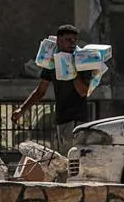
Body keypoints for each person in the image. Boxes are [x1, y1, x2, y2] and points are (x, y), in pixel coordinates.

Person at [13, 23, 92, 153]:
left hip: (77, 121)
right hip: (61, 120)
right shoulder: (52, 64)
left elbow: (83, 91)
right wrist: (21, 110)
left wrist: (72, 69)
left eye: (74, 40)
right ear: (59, 41)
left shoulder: (81, 62)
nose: (72, 43)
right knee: (64, 159)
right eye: (68, 40)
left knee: (72, 160)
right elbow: (40, 92)